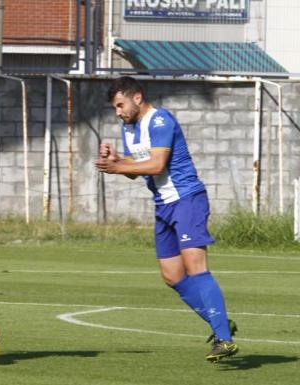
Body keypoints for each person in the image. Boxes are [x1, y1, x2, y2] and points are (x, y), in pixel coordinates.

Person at [96, 76, 238, 362]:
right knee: (172, 275)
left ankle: (224, 337)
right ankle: (220, 322)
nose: (118, 112)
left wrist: (116, 167)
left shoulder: (161, 121)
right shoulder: (130, 128)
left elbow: (158, 164)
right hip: (163, 205)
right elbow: (138, 170)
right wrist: (119, 159)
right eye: (114, 107)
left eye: (120, 105)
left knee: (196, 268)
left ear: (137, 97)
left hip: (187, 200)